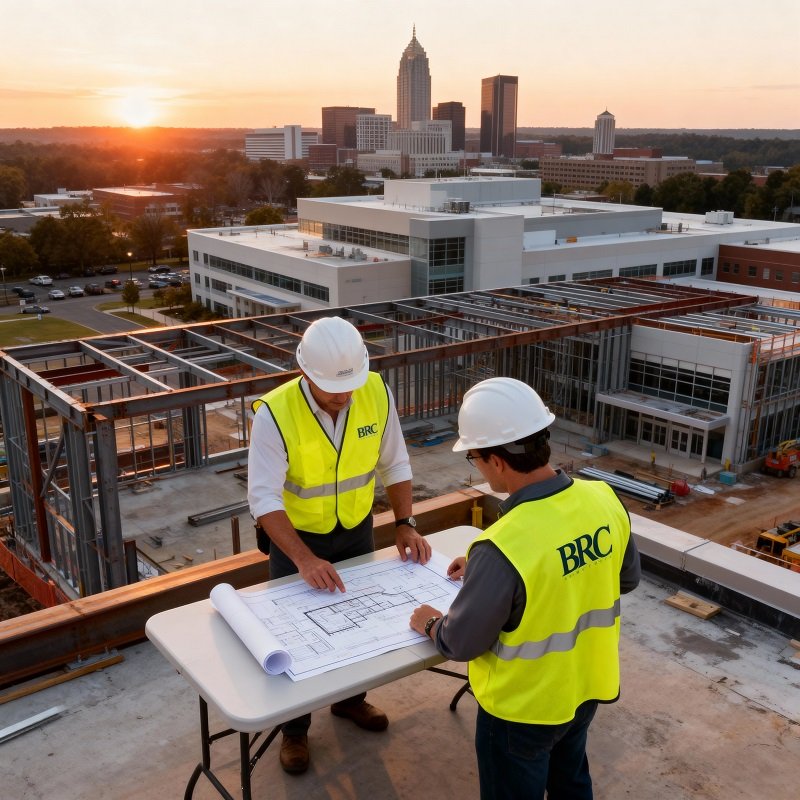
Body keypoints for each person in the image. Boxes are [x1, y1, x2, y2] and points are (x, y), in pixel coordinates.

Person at [410, 377, 640, 800]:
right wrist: (493, 578)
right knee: (571, 783)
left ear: (497, 461)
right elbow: (623, 579)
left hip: (523, 712)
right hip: (585, 687)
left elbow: (460, 642)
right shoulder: (605, 499)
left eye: (475, 457)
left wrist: (430, 623)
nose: (476, 465)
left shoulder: (503, 546)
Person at [248, 315, 431, 775]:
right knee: (294, 636)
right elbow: (263, 498)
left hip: (355, 528)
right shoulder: (275, 413)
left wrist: (405, 523)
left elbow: (395, 462)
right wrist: (304, 559)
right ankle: (293, 732)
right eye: (333, 387)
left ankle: (350, 701)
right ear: (305, 372)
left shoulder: (375, 392)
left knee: (355, 624)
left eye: (350, 386)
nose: (345, 396)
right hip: (297, 540)